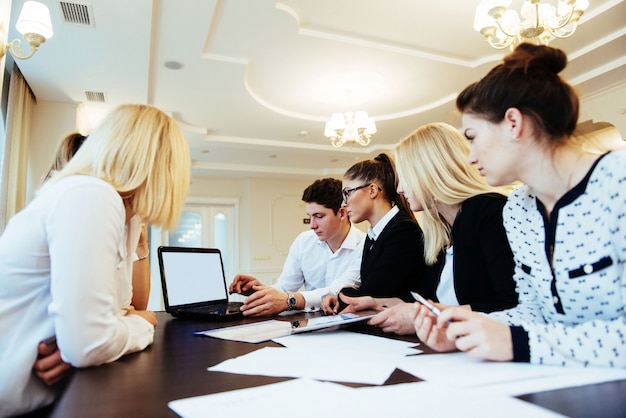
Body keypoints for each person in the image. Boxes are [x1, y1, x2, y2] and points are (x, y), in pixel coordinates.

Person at [415, 42, 626, 368]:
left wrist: (518, 342)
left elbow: (529, 337)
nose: (470, 157)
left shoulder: (618, 183)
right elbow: (533, 312)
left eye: (472, 136)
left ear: (513, 122)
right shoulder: (518, 209)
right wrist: (465, 330)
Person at [0, 104, 190, 416]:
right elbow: (90, 343)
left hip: (49, 394)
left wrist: (104, 330)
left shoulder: (123, 214)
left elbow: (117, 312)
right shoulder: (92, 195)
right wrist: (137, 326)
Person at [340, 123, 518, 334]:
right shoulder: (441, 232)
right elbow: (426, 300)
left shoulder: (489, 212)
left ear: (428, 170)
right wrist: (378, 303)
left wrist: (429, 319)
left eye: (403, 177)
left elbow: (511, 306)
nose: (399, 189)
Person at [33, 131, 153, 388]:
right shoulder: (85, 205)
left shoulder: (120, 222)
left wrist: (141, 242)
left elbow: (133, 305)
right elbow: (91, 335)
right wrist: (132, 323)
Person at [229, 178, 365, 316]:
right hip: (309, 324)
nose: (312, 225)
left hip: (349, 325)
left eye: (319, 216)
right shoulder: (303, 242)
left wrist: (290, 300)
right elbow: (285, 288)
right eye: (310, 216)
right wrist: (259, 291)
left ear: (342, 213)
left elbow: (337, 291)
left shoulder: (366, 245)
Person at [321, 153, 425, 314]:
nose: (343, 203)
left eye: (347, 193)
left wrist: (341, 296)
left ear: (372, 190)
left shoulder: (404, 230)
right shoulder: (374, 234)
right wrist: (339, 296)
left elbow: (375, 292)